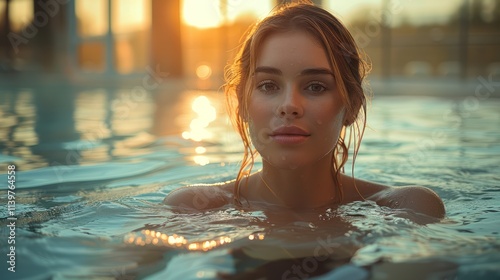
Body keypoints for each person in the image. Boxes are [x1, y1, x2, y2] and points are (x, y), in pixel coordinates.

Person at [164, 1, 445, 220]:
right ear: (243, 103)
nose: (289, 106)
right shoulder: (191, 209)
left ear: (352, 106)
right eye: (268, 85)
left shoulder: (407, 208)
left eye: (315, 87)